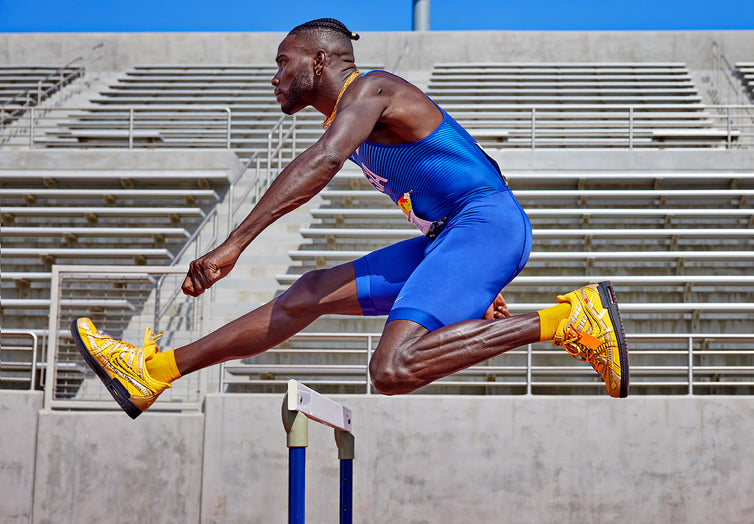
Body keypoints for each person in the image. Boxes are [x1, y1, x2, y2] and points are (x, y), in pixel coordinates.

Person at [71, 18, 628, 419]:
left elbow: (324, 160)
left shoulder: (373, 90)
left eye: (282, 63)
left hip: (481, 225)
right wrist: (466, 278)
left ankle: (565, 322)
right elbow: (473, 167)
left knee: (392, 369)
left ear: (318, 60)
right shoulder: (358, 117)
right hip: (456, 236)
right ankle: (153, 372)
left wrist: (234, 244)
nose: (275, 77)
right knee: (308, 291)